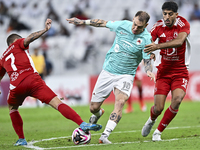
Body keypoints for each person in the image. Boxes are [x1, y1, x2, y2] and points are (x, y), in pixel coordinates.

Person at [0, 18, 102, 146]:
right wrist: (45, 30)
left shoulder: (3, 57)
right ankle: (82, 123)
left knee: (13, 108)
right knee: (57, 103)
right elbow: (29, 38)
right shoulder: (17, 43)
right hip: (32, 80)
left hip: (16, 86)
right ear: (15, 41)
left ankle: (21, 139)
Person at [67, 11, 155, 144]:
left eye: (140, 27)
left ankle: (104, 136)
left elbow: (147, 60)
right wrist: (82, 22)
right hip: (108, 71)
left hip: (126, 75)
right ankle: (98, 113)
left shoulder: (146, 39)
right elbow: (102, 23)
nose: (135, 28)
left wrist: (148, 71)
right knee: (93, 108)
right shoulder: (123, 25)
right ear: (133, 19)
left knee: (120, 103)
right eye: (135, 24)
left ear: (146, 25)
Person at [141, 1, 191, 141]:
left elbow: (179, 41)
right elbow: (149, 44)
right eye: (165, 14)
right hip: (163, 72)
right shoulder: (157, 26)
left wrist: (157, 47)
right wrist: (151, 54)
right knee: (158, 108)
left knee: (177, 100)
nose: (167, 17)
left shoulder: (183, 24)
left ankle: (158, 131)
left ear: (176, 14)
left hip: (180, 71)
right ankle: (151, 120)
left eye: (170, 14)